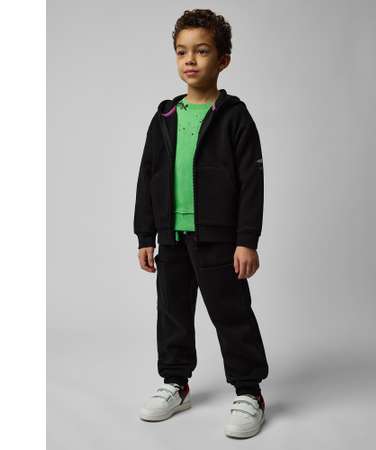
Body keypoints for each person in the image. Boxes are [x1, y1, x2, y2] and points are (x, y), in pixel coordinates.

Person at [133, 9, 269, 438]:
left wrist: (246, 240)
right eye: (182, 51)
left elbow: (251, 182)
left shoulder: (234, 116)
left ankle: (249, 391)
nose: (190, 59)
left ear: (223, 59)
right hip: (171, 237)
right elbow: (148, 175)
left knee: (231, 313)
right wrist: (145, 235)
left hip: (219, 239)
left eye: (202, 51)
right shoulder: (165, 117)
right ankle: (176, 382)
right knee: (172, 311)